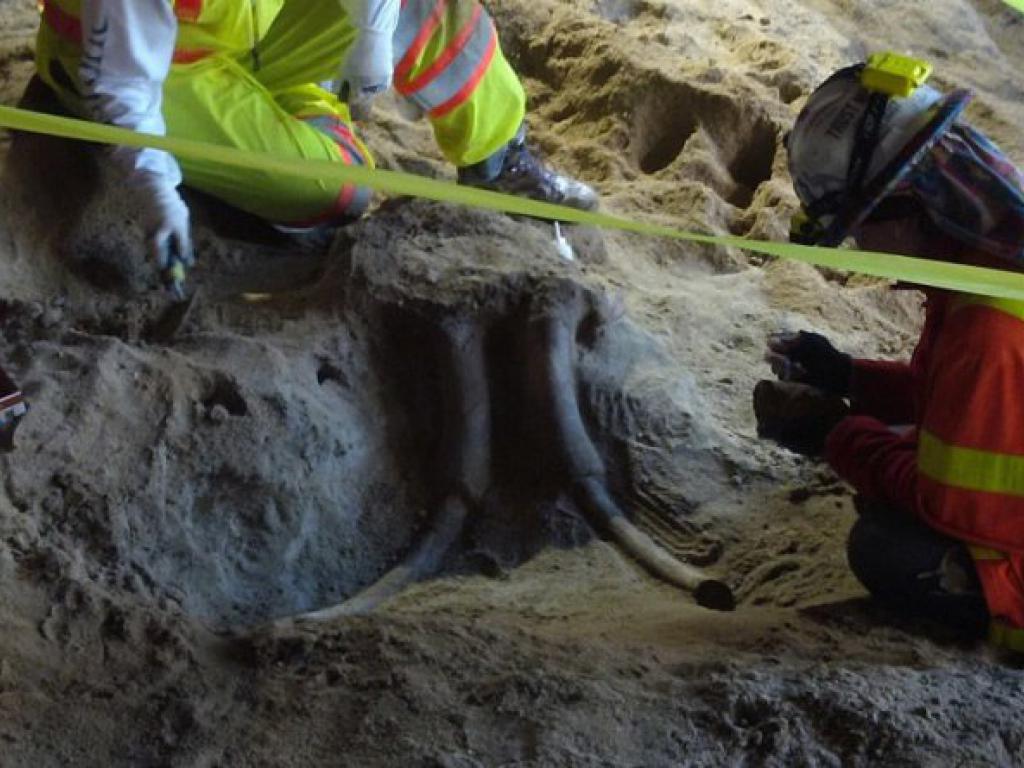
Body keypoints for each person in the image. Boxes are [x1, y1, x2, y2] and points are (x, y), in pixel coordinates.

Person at [33, 0, 598, 276]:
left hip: (245, 30)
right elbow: (124, 85)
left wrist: (373, 31)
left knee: (428, 6)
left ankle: (500, 160)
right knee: (336, 189)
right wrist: (154, 185)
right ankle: (294, 109)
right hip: (148, 68)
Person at [763, 53, 1024, 649]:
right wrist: (848, 376)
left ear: (904, 211)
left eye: (858, 225)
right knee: (899, 446)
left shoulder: (988, 326)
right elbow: (961, 402)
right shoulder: (991, 258)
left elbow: (947, 503)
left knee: (887, 547)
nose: (860, 243)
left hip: (989, 513)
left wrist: (835, 433)